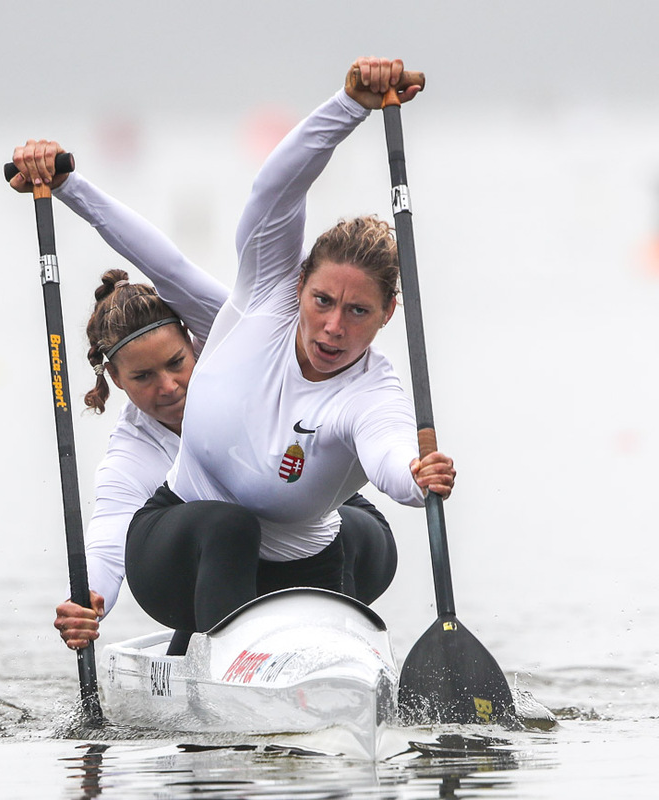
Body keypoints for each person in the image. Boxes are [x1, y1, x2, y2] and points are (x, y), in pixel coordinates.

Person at [8, 135, 399, 652]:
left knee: (352, 529)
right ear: (117, 382)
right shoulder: (135, 450)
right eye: (143, 379)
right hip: (211, 561)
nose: (168, 387)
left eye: (176, 364)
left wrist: (69, 187)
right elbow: (107, 536)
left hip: (303, 541)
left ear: (197, 343)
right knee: (226, 528)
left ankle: (340, 656)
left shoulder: (231, 333)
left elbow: (163, 264)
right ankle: (224, 663)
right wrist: (89, 598)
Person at [124, 57, 455, 652]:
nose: (332, 328)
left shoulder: (372, 393)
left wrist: (415, 475)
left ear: (388, 314)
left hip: (302, 564)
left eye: (358, 313)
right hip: (182, 551)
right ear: (300, 286)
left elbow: (388, 451)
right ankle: (213, 659)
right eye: (323, 301)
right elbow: (275, 189)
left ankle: (324, 662)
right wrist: (350, 105)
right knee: (231, 526)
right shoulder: (269, 294)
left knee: (359, 531)